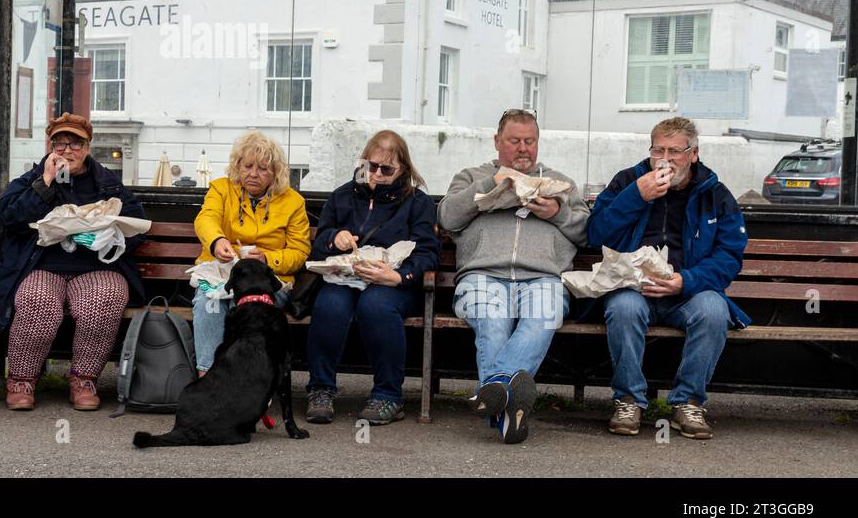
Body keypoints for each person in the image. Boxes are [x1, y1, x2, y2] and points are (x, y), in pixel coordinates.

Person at [588, 117, 748, 440]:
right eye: (658, 150)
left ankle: (688, 402)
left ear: (693, 154)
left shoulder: (715, 195)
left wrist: (685, 280)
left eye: (675, 151)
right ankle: (628, 400)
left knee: (714, 311)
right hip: (633, 286)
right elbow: (595, 234)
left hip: (687, 290)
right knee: (623, 309)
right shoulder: (627, 182)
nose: (665, 159)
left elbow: (730, 257)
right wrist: (636, 195)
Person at [437, 109, 588, 443]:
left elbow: (585, 232)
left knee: (545, 315)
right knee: (492, 320)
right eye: (515, 141)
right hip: (482, 274)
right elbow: (447, 217)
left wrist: (557, 213)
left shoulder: (561, 183)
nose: (523, 148)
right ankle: (508, 407)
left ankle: (496, 392)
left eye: (530, 141)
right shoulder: (471, 175)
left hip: (543, 277)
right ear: (497, 142)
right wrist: (491, 185)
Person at [0, 113, 148, 411]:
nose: (67, 151)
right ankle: (22, 380)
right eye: (59, 144)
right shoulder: (33, 180)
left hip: (94, 266)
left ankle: (83, 380)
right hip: (42, 266)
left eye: (75, 143)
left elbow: (136, 225)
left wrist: (108, 236)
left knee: (107, 296)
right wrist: (45, 183)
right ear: (50, 148)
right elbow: (9, 217)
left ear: (87, 147)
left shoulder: (107, 183)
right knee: (38, 300)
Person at [305, 130, 440, 426]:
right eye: (372, 165)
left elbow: (428, 252)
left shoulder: (417, 203)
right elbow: (318, 242)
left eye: (386, 169)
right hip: (345, 276)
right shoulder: (343, 195)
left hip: (393, 282)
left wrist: (398, 275)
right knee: (330, 305)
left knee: (376, 306)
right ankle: (321, 389)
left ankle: (388, 394)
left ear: (402, 169)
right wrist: (334, 239)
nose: (377, 174)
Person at [191, 131, 311, 375]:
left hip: (268, 283)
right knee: (208, 304)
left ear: (276, 172)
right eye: (247, 166)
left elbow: (299, 252)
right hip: (222, 276)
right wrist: (216, 240)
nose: (253, 174)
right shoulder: (221, 189)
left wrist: (267, 259)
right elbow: (206, 218)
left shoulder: (293, 202)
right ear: (237, 165)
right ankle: (209, 376)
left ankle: (250, 378)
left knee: (251, 307)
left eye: (263, 168)